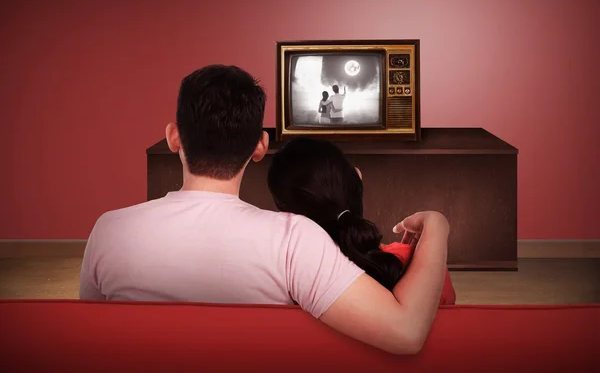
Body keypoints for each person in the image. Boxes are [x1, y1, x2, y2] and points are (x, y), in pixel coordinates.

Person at [80, 64, 449, 355]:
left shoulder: (109, 231)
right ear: (260, 146)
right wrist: (437, 226)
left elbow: (96, 346)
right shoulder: (294, 239)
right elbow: (406, 333)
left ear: (173, 136)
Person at [267, 137, 456, 304]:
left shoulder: (282, 276)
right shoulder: (422, 264)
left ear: (284, 211)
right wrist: (435, 229)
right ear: (357, 178)